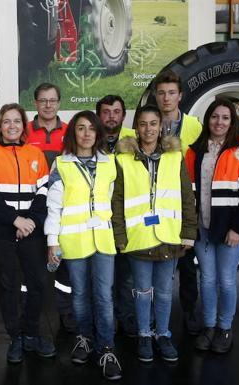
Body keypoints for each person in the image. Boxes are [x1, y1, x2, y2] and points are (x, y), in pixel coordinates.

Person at [112, 105, 196, 362]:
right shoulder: (123, 159)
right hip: (138, 238)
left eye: (153, 123)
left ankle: (163, 334)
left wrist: (188, 232)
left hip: (169, 237)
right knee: (141, 291)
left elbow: (186, 197)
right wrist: (120, 236)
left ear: (161, 126)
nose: (148, 129)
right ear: (136, 127)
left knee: (163, 292)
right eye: (143, 124)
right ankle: (144, 335)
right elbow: (117, 200)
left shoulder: (175, 156)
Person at [45, 110, 122, 380]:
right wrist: (52, 241)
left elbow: (113, 202)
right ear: (72, 133)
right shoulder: (60, 165)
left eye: (91, 128)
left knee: (103, 296)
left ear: (98, 133)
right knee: (78, 295)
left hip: (103, 239)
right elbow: (53, 207)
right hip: (74, 239)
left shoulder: (110, 164)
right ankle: (84, 339)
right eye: (80, 128)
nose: (86, 133)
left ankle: (106, 348)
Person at [0, 103, 56, 363]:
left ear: (24, 126)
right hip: (1, 232)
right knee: (8, 285)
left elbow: (44, 192)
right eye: (7, 121)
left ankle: (32, 332)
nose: (12, 126)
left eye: (17, 121)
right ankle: (16, 337)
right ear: (0, 125)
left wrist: (30, 221)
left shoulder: (36, 154)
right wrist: (15, 220)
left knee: (38, 284)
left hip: (31, 230)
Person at [185, 98, 239, 353]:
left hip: (230, 229)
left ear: (232, 121)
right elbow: (189, 193)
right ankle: (208, 327)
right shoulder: (195, 150)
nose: (219, 122)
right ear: (208, 119)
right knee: (206, 279)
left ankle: (224, 328)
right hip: (202, 228)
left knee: (226, 281)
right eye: (215, 116)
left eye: (225, 117)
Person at [152, 70, 203, 335]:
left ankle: (189, 311)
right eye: (161, 93)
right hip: (156, 207)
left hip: (185, 205)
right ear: (156, 96)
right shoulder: (148, 124)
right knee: (153, 261)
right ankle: (151, 316)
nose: (166, 98)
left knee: (186, 263)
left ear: (180, 95)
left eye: (171, 93)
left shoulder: (195, 126)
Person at [25, 82, 75, 333]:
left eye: (52, 100)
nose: (47, 105)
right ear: (35, 103)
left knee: (64, 265)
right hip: (32, 209)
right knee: (32, 265)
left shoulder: (70, 133)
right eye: (43, 100)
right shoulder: (22, 132)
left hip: (61, 208)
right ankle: (30, 316)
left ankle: (66, 313)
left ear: (59, 103)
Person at [95, 94, 136, 338]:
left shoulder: (134, 141)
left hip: (126, 222)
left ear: (123, 115)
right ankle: (102, 322)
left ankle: (127, 320)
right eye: (106, 111)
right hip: (98, 223)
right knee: (100, 281)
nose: (112, 116)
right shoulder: (89, 140)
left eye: (117, 111)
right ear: (99, 115)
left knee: (126, 278)